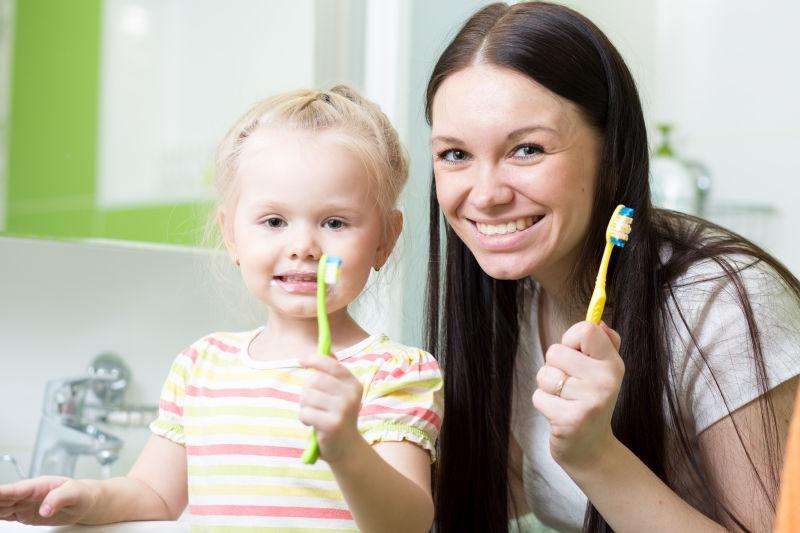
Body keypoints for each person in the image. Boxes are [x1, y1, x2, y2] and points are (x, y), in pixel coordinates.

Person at [424, 2, 800, 532]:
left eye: (527, 149)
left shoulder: (722, 304)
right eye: (455, 155)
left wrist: (596, 456)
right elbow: (493, 487)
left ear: (613, 152)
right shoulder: (513, 295)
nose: (484, 195)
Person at [0, 86, 443, 532]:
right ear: (231, 235)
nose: (303, 247)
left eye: (334, 222)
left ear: (385, 239)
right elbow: (154, 494)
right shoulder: (202, 368)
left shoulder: (394, 373)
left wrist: (348, 449)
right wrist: (85, 499)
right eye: (274, 221)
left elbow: (407, 524)